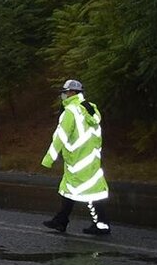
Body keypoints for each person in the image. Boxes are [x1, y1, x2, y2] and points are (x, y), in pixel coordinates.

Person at [41, 79, 111, 235]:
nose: (63, 95)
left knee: (89, 190)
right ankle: (61, 220)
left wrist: (49, 158)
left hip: (77, 159)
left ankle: (101, 224)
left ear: (72, 93)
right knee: (71, 188)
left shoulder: (71, 111)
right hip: (91, 156)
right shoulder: (91, 108)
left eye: (65, 92)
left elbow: (61, 136)